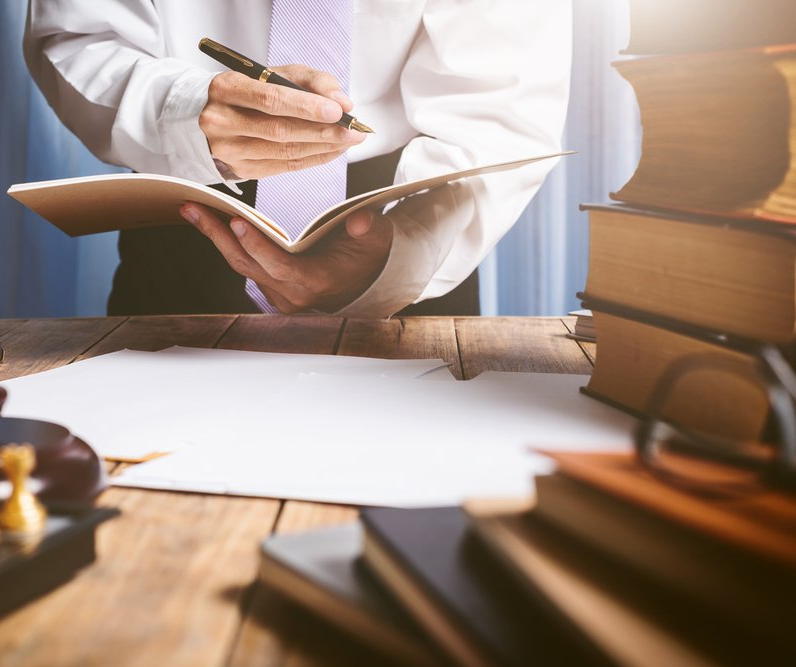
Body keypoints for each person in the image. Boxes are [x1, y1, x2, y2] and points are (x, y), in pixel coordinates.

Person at [23, 1, 572, 318]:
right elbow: (77, 34)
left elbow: (504, 97)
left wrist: (405, 252)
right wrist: (185, 109)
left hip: (407, 221)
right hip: (184, 215)